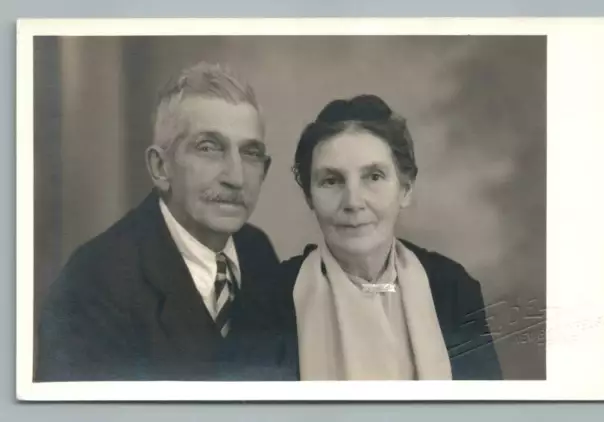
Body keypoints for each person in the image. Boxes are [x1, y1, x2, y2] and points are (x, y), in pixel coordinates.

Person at [36, 62, 287, 381]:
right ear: (160, 167)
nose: (236, 178)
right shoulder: (91, 288)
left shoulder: (257, 251)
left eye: (250, 153)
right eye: (209, 148)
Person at [278, 94, 503, 380]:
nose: (353, 202)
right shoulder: (271, 298)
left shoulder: (452, 289)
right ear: (309, 196)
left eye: (373, 176)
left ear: (405, 189)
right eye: (331, 181)